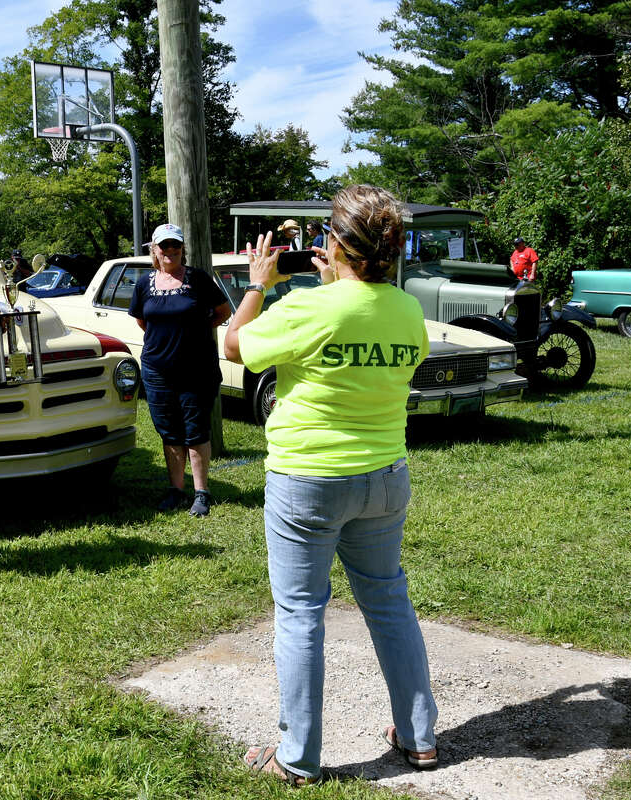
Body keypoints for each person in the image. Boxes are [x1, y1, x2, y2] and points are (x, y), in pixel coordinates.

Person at [223, 185, 438, 785]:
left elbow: (235, 346)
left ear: (336, 243)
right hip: (386, 476)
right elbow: (370, 338)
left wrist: (257, 284)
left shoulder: (308, 309)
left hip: (310, 481)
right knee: (389, 602)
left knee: (299, 613)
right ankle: (420, 737)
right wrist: (336, 286)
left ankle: (298, 757)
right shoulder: (406, 308)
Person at [129, 223, 232, 517]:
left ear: (182, 248)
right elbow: (143, 321)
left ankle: (202, 492)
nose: (170, 251)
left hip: (196, 369)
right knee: (170, 432)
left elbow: (223, 311)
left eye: (175, 245)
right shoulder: (143, 283)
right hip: (157, 370)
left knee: (195, 431)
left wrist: (196, 330)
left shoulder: (198, 279)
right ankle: (176, 489)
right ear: (155, 250)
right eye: (164, 246)